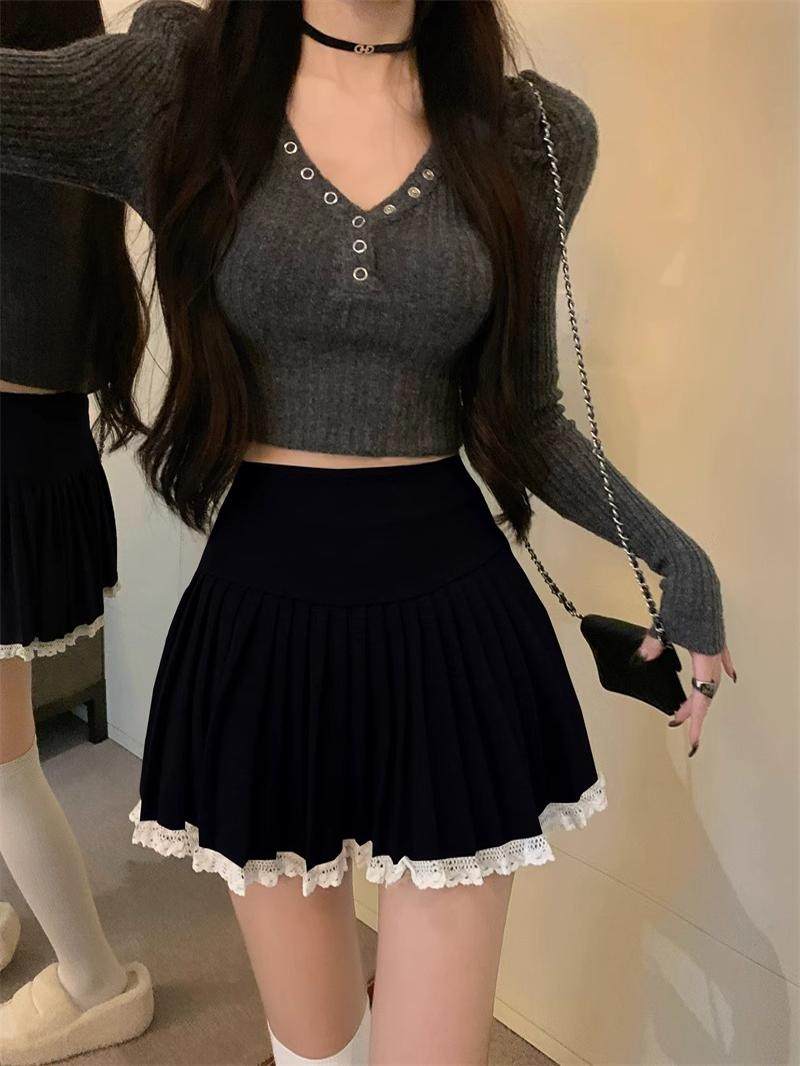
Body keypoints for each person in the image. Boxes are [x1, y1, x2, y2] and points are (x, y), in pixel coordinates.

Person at [0, 1, 736, 1063]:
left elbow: (526, 418)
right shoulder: (180, 93)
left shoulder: (530, 135)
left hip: (455, 638)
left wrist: (676, 555)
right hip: (262, 635)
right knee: (318, 1053)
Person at [0, 3, 155, 1064]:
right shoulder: (70, 54)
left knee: (5, 757)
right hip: (33, 438)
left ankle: (96, 983)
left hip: (10, 446)